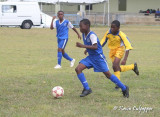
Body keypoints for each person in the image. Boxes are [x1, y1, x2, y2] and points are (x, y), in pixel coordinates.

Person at [75, 19, 129, 98]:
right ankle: (87, 88)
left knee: (108, 75)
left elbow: (95, 46)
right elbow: (91, 45)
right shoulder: (84, 34)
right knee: (78, 69)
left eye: (81, 26)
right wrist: (87, 49)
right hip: (91, 57)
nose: (79, 28)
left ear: (87, 26)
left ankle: (124, 88)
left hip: (98, 58)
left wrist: (83, 46)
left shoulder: (92, 35)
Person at [100, 20, 139, 89]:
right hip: (112, 51)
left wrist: (125, 59)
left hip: (119, 50)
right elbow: (102, 42)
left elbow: (128, 47)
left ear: (118, 28)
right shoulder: (108, 32)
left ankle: (118, 84)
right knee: (116, 68)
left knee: (115, 65)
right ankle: (132, 67)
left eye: (114, 27)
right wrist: (96, 48)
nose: (112, 29)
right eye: (111, 27)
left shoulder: (121, 35)